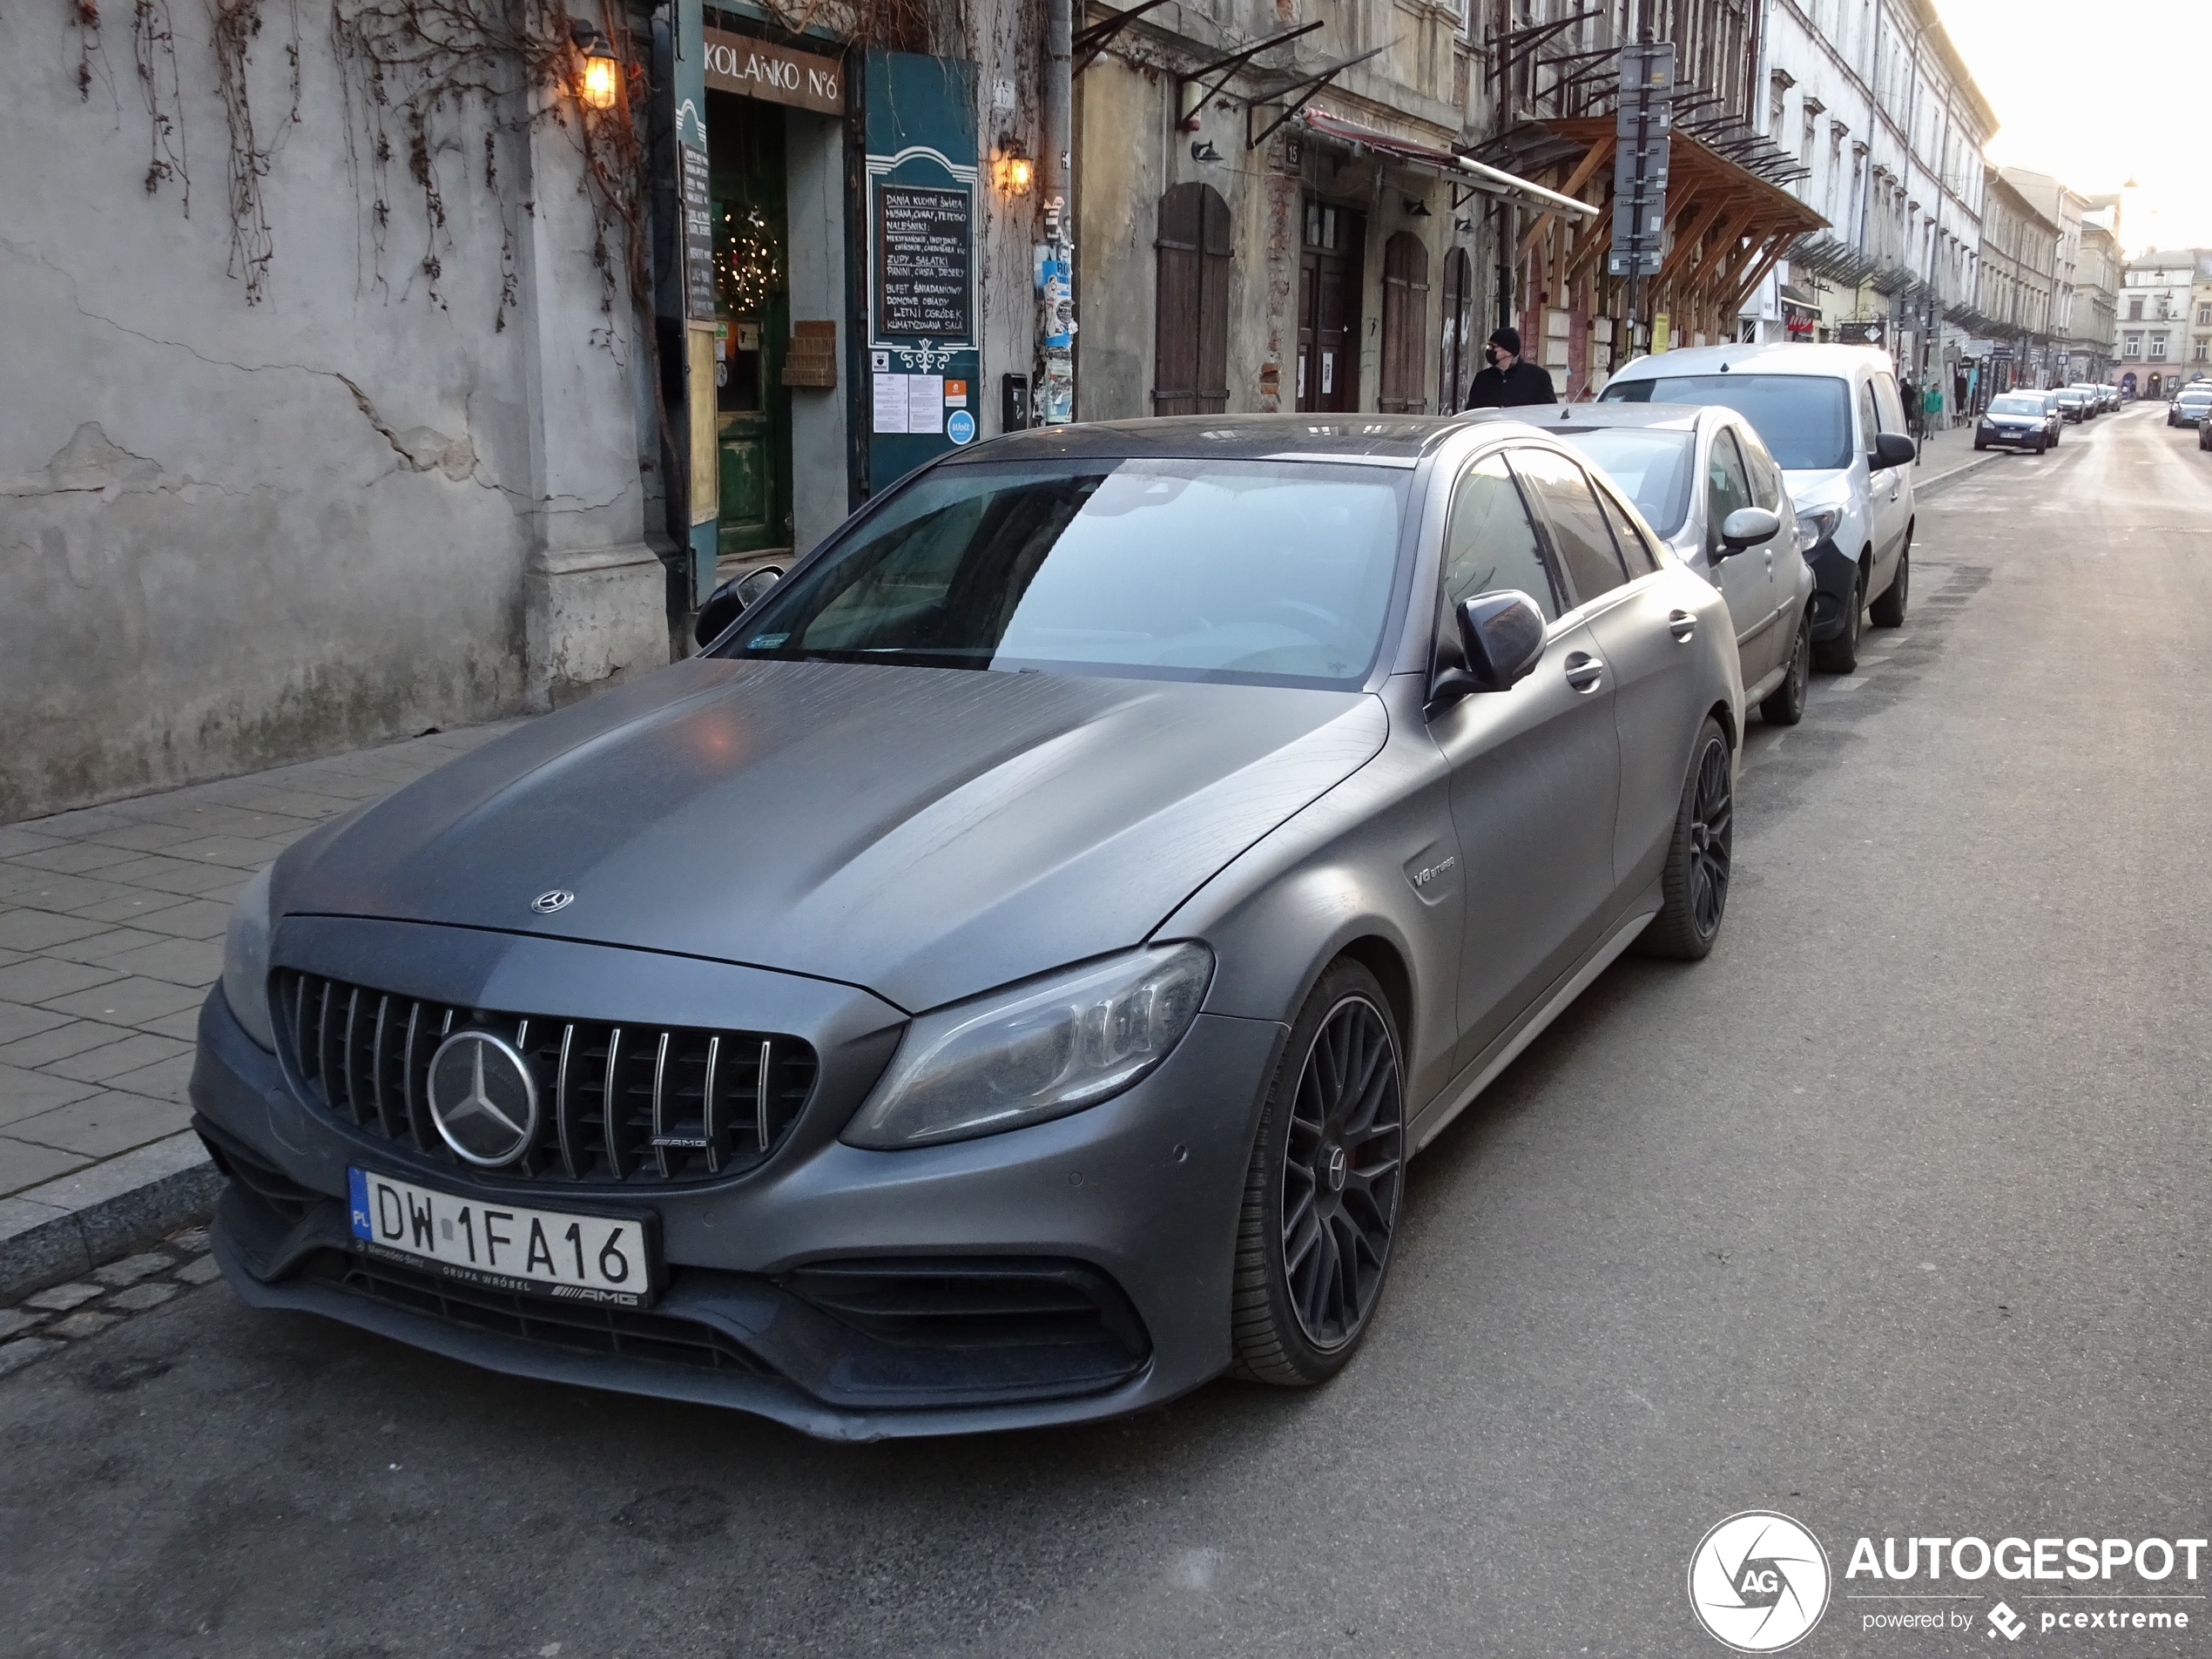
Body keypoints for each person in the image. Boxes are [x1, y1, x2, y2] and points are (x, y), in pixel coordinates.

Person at [1464, 327, 1557, 408]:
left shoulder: (1538, 377)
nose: (1489, 350)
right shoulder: (1482, 378)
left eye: (1493, 347)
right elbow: (1472, 412)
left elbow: (1548, 412)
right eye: (1489, 345)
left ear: (1509, 351)